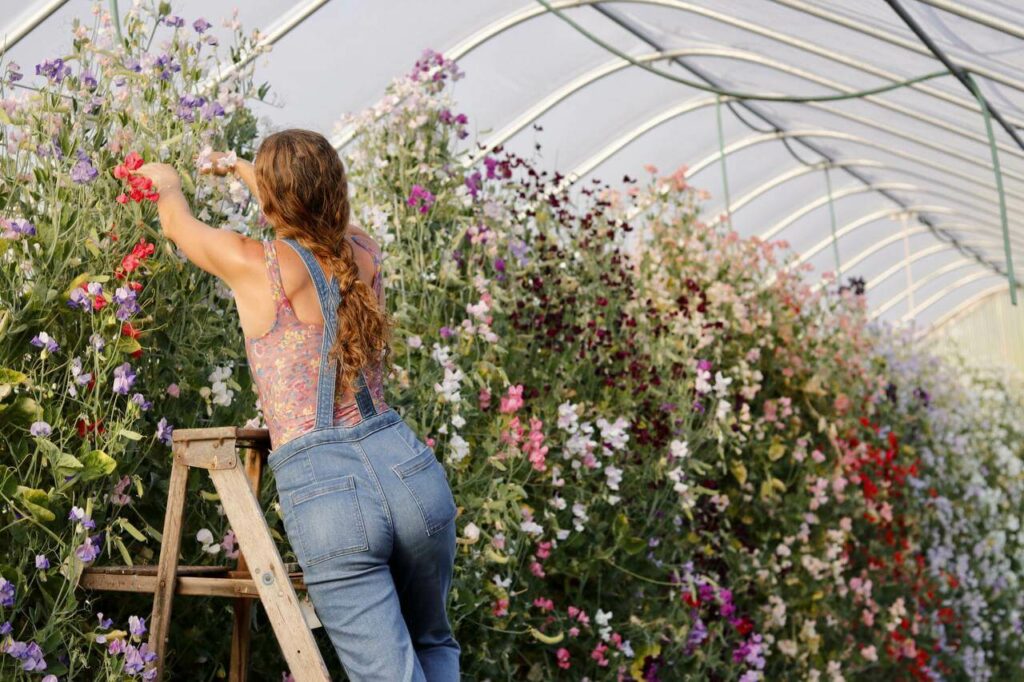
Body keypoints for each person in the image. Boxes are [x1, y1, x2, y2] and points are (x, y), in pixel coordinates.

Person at [137, 129, 460, 681]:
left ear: (268, 200)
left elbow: (177, 225)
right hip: (407, 469)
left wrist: (166, 181)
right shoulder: (363, 252)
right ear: (338, 189)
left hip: (328, 490)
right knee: (432, 642)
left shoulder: (253, 263)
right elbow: (309, 210)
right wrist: (242, 166)